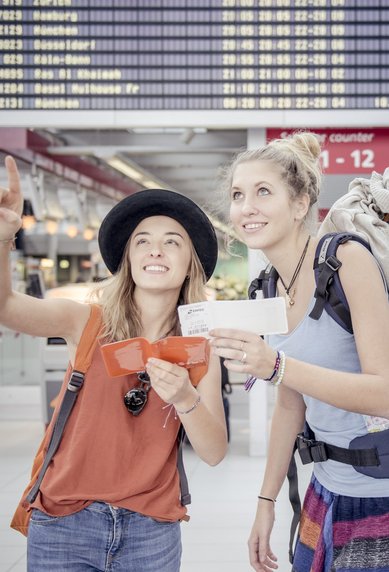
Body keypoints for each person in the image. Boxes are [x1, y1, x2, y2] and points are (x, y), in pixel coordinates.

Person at [0, 156, 228, 572]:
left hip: (151, 530)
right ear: (128, 258)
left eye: (173, 241)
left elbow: (213, 452)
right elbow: (6, 307)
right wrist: (2, 240)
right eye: (142, 240)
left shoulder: (199, 350)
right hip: (65, 521)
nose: (156, 249)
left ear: (190, 264)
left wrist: (184, 397)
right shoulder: (85, 321)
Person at [210, 132, 389, 571]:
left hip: (378, 494)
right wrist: (266, 501)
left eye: (263, 191)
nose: (246, 207)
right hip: (324, 488)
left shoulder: (346, 260)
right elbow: (290, 403)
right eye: (237, 194)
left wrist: (275, 365)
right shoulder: (267, 289)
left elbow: (385, 394)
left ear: (301, 202)